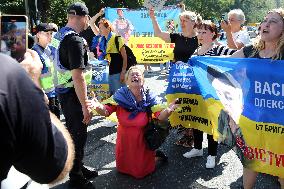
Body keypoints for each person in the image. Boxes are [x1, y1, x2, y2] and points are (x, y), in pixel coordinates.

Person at [86, 66, 178, 178]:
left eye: (138, 74)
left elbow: (159, 116)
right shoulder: (120, 95)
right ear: (127, 81)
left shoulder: (149, 96)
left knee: (140, 173)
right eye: (131, 74)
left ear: (143, 80)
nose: (135, 76)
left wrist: (168, 111)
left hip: (143, 139)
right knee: (122, 169)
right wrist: (98, 106)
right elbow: (106, 111)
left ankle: (156, 158)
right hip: (124, 140)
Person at [0, 50, 74, 186]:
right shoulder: (9, 74)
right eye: (47, 33)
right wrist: (31, 84)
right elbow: (56, 166)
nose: (50, 36)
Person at [230, 8, 284, 189]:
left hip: (280, 121)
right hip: (252, 117)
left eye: (273, 21)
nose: (265, 24)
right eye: (265, 20)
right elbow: (226, 66)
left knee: (281, 166)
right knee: (250, 160)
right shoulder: (251, 50)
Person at [50, 2, 96, 189]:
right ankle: (76, 177)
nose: (87, 21)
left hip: (63, 92)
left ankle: (78, 167)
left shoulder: (59, 35)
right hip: (72, 94)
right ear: (82, 17)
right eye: (87, 18)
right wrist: (85, 104)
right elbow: (78, 77)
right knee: (78, 135)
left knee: (74, 132)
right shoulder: (74, 40)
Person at [183, 20, 236, 168]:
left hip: (214, 95)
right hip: (198, 93)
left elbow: (237, 56)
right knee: (197, 120)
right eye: (198, 32)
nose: (200, 35)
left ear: (213, 34)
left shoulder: (219, 49)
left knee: (212, 123)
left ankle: (212, 155)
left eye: (204, 32)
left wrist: (229, 33)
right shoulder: (196, 50)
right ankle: (198, 148)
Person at [149, 8, 200, 147]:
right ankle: (185, 133)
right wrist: (153, 17)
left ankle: (193, 136)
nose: (182, 23)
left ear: (193, 23)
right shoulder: (177, 36)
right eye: (181, 20)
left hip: (194, 78)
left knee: (193, 105)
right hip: (177, 77)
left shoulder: (199, 38)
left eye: (185, 20)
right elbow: (158, 34)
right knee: (179, 104)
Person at [90, 9, 128, 95]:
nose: (99, 30)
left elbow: (125, 57)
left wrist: (123, 72)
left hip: (116, 73)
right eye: (98, 28)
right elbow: (91, 22)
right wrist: (99, 14)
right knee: (106, 98)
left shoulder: (117, 38)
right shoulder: (100, 37)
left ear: (108, 27)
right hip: (102, 72)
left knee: (119, 97)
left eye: (101, 28)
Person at [32, 23, 60, 118]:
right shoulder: (34, 52)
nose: (50, 36)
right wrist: (42, 94)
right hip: (45, 96)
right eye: (47, 33)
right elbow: (34, 77)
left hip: (54, 93)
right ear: (38, 34)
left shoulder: (51, 49)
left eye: (51, 33)